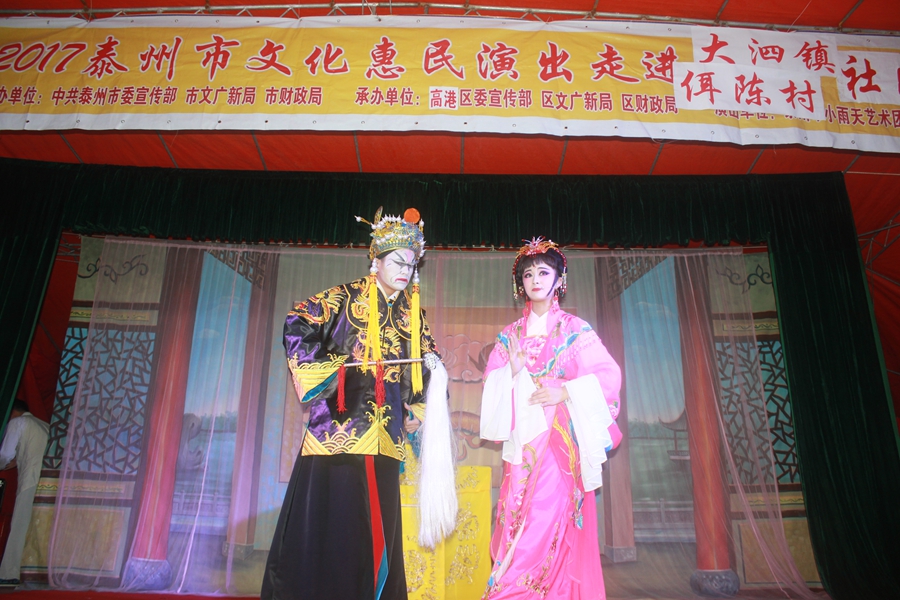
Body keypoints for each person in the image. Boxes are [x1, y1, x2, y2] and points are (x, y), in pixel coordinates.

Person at [261, 208, 456, 600]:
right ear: (376, 261)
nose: (404, 270)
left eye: (411, 264)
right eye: (396, 261)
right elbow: (297, 322)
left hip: (385, 440)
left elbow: (429, 365)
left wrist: (420, 410)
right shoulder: (344, 298)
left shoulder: (412, 316)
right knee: (334, 531)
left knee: (378, 534)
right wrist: (331, 372)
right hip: (338, 437)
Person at [480, 238, 622, 600]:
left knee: (547, 520)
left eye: (543, 272)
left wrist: (566, 391)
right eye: (528, 274)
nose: (535, 280)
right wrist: (511, 373)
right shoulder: (509, 336)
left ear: (559, 279)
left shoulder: (575, 330)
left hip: (559, 447)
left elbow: (608, 377)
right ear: (520, 284)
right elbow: (491, 387)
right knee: (518, 518)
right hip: (523, 447)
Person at [0, 399, 50, 587]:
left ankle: (9, 573)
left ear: (12, 411)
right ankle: (31, 571)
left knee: (20, 526)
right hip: (47, 483)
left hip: (30, 481)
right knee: (38, 529)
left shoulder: (17, 422)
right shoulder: (44, 425)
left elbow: (5, 454)